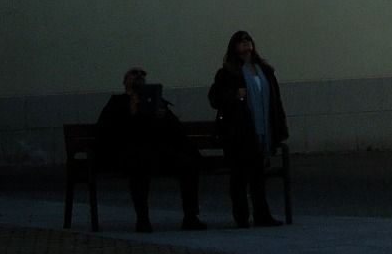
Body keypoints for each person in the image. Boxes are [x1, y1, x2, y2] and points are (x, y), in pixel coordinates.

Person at [95, 67, 205, 232]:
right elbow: (106, 130)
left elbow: (176, 129)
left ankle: (190, 216)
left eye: (142, 74)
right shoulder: (118, 102)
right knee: (138, 167)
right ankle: (143, 219)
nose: (139, 76)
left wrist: (163, 116)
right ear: (125, 81)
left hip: (157, 153)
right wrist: (130, 114)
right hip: (130, 153)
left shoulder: (156, 101)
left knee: (187, 165)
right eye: (134, 73)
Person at [207, 29, 287, 227]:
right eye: (241, 42)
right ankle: (241, 216)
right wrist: (235, 95)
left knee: (258, 175)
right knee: (239, 176)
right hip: (239, 131)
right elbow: (214, 99)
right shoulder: (227, 73)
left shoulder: (264, 71)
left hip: (261, 129)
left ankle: (262, 214)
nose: (245, 44)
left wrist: (280, 127)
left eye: (248, 40)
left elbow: (275, 100)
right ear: (234, 47)